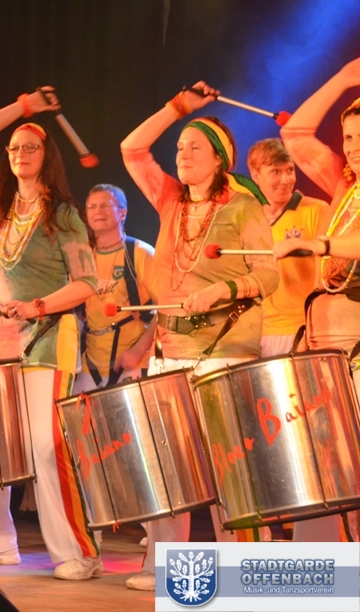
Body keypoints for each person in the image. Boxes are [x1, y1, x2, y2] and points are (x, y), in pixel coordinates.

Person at [119, 82, 280, 591]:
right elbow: (131, 149)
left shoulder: (243, 208)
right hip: (169, 351)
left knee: (228, 465)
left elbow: (268, 275)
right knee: (171, 464)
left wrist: (221, 291)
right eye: (180, 147)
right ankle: (166, 568)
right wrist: (178, 107)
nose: (182, 154)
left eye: (194, 147)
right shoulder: (169, 198)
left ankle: (246, 573)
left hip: (224, 351)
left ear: (219, 159)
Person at [0, 121, 101, 578]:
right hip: (0, 339)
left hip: (48, 337)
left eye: (31, 147)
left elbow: (88, 283)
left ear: (47, 156)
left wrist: (37, 305)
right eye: (14, 148)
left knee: (46, 446)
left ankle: (78, 553)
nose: (20, 154)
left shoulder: (63, 215)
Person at [276, 59, 360, 542]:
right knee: (324, 458)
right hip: (325, 341)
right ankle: (324, 567)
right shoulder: (345, 184)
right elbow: (296, 134)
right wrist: (344, 79)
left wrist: (322, 244)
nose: (354, 147)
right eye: (348, 137)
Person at [246, 139, 329, 359]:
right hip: (258, 335)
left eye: (290, 170)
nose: (285, 180)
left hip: (301, 329)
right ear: (255, 175)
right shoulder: (246, 217)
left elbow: (327, 278)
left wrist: (311, 330)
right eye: (275, 171)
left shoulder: (317, 210)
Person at [74, 184, 157, 394]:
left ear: (123, 213)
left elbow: (167, 308)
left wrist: (138, 351)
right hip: (89, 368)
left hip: (133, 364)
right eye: (91, 207)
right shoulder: (83, 259)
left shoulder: (141, 253)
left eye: (105, 205)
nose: (97, 211)